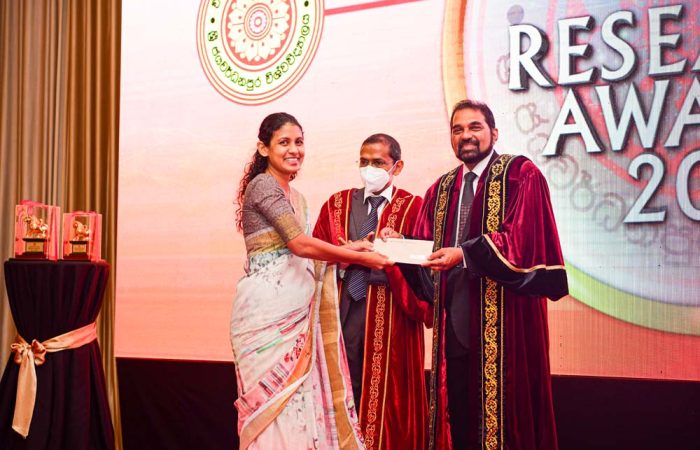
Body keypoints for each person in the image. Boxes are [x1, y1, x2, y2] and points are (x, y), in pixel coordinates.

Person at [381, 99, 568, 450]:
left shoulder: (520, 175)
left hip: (506, 329)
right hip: (456, 328)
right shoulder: (440, 190)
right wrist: (398, 245)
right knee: (461, 422)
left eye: (474, 127)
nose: (465, 135)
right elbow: (426, 249)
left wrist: (465, 253)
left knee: (510, 421)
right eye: (458, 129)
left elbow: (523, 241)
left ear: (494, 133)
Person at [231, 112, 390, 450]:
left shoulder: (297, 197)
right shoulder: (263, 185)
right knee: (272, 406)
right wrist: (359, 257)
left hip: (296, 309)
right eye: (284, 142)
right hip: (265, 314)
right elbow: (299, 245)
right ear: (264, 148)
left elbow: (304, 253)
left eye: (299, 142)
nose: (294, 150)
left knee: (301, 401)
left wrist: (350, 248)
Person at [312, 134, 431, 450]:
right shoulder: (336, 205)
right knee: (342, 385)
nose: (369, 169)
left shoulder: (414, 208)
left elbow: (428, 268)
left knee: (388, 395)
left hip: (393, 317)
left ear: (397, 167)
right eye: (364, 161)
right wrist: (346, 255)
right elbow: (313, 258)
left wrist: (400, 245)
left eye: (378, 163)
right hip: (343, 308)